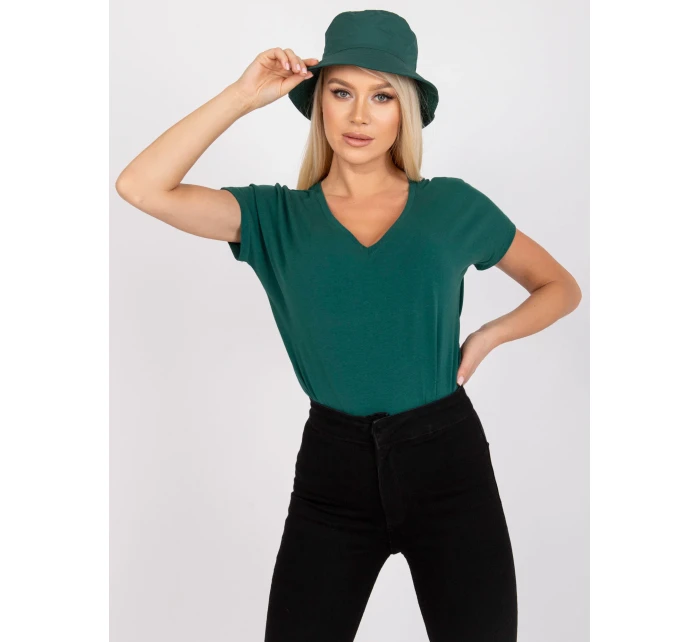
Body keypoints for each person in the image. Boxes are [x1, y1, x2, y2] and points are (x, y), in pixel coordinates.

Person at [116, 9, 582, 641]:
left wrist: (488, 335)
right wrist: (242, 96)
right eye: (341, 92)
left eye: (382, 96)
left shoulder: (452, 206)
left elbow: (559, 287)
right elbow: (141, 186)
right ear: (319, 105)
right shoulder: (273, 217)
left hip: (448, 465)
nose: (360, 115)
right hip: (333, 474)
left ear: (405, 111)